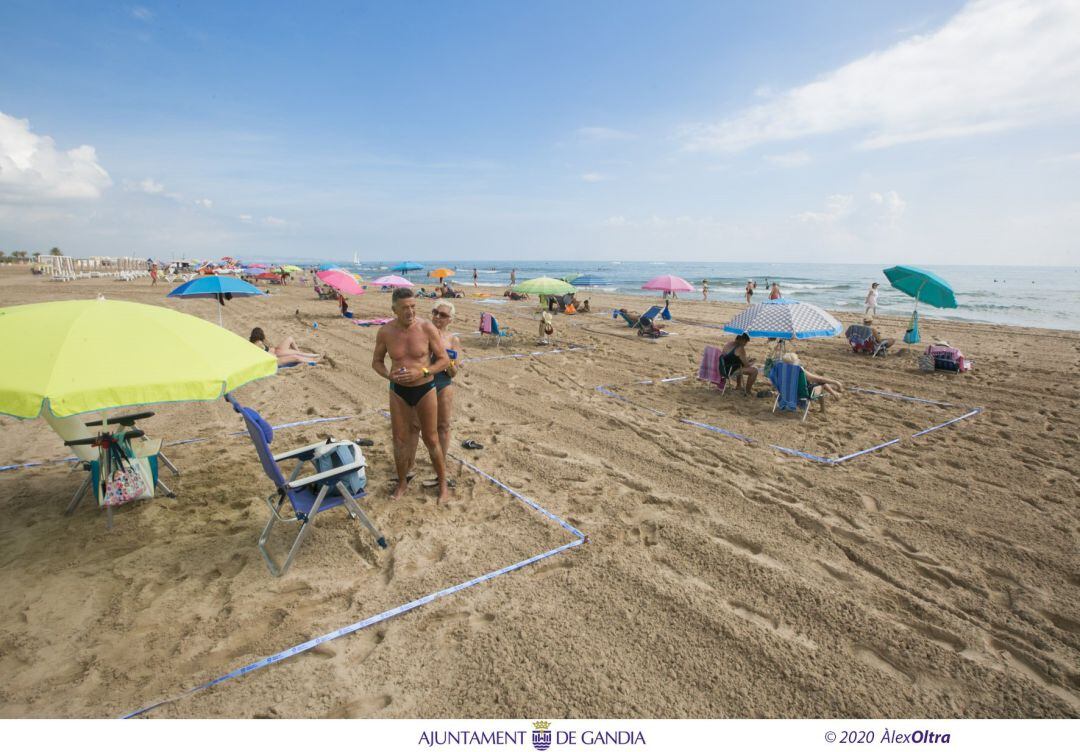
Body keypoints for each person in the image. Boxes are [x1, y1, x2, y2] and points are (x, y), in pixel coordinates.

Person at [372, 288, 451, 502]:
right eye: (405, 307)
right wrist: (389, 376)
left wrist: (423, 371)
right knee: (399, 440)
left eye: (413, 306)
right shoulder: (386, 332)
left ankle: (443, 484)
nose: (410, 311)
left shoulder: (427, 328)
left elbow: (444, 360)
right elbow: (376, 362)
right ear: (394, 309)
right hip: (398, 391)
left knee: (431, 438)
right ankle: (402, 482)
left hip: (425, 389)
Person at [411, 301, 462, 484]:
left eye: (443, 315)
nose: (438, 317)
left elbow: (454, 373)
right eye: (435, 313)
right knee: (415, 425)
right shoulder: (421, 333)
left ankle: (440, 466)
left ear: (451, 320)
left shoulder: (452, 340)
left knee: (443, 426)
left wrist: (448, 363)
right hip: (423, 383)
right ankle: (409, 467)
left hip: (443, 382)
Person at [249, 327, 322, 366]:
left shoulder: (253, 342)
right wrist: (275, 355)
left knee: (291, 342)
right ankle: (314, 358)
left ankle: (313, 357)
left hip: (276, 350)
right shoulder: (258, 343)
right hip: (276, 354)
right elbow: (267, 355)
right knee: (296, 355)